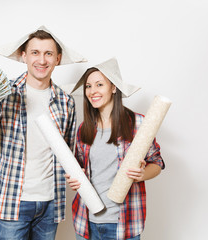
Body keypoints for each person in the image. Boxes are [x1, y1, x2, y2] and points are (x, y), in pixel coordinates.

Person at [0, 26, 86, 240]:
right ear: (24, 56)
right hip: (13, 201)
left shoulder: (66, 102)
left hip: (51, 204)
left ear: (57, 58)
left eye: (48, 53)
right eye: (35, 53)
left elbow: (69, 155)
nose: (42, 60)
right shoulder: (5, 94)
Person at [66, 58, 165, 240]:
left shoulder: (138, 124)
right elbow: (80, 169)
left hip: (124, 224)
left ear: (113, 88)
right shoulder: (84, 129)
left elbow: (157, 163)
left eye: (99, 84)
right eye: (88, 86)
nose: (92, 91)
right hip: (86, 222)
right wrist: (76, 178)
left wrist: (142, 174)